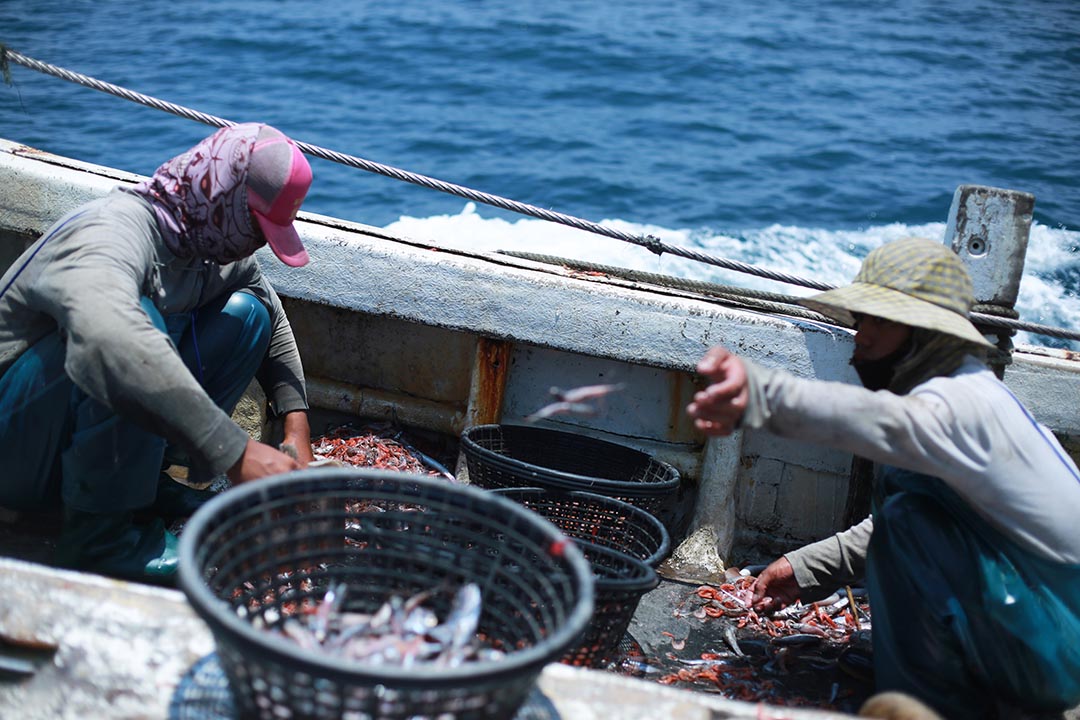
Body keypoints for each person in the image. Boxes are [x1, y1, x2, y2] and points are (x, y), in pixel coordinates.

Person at [686, 237, 1080, 719]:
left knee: (910, 519)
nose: (861, 336)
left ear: (923, 333)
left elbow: (882, 426)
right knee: (908, 509)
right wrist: (807, 569)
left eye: (881, 321)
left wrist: (763, 395)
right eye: (861, 320)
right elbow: (904, 522)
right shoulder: (960, 395)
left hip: (1060, 653)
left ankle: (938, 708)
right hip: (1044, 628)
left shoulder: (961, 405)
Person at [0, 123, 317, 584]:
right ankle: (99, 541)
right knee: (133, 329)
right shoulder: (111, 233)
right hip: (13, 449)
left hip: (64, 438)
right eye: (257, 225)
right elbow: (113, 341)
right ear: (223, 193)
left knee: (247, 315)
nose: (260, 242)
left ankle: (135, 489)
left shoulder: (205, 240)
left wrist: (296, 421)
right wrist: (235, 452)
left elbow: (268, 303)